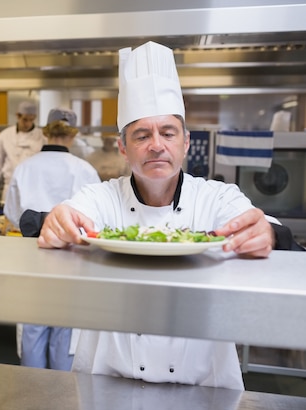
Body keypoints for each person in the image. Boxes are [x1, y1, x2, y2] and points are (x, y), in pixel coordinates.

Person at [37, 41, 277, 390]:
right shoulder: (100, 197)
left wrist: (265, 233)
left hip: (204, 390)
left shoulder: (217, 197)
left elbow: (255, 222)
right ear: (122, 147)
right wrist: (58, 221)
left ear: (186, 142)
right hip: (107, 384)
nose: (157, 145)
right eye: (141, 135)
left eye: (168, 132)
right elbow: (72, 213)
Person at [4, 107, 100, 370]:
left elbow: (13, 214)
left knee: (33, 326)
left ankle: (32, 400)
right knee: (65, 330)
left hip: (33, 256)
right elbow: (95, 221)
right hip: (72, 260)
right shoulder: (85, 170)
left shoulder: (24, 168)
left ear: (45, 131)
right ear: (73, 134)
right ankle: (62, 401)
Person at [0, 100, 47, 202]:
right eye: (25, 119)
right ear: (17, 116)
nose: (28, 123)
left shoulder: (42, 137)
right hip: (10, 189)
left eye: (31, 120)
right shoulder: (5, 135)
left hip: (34, 189)